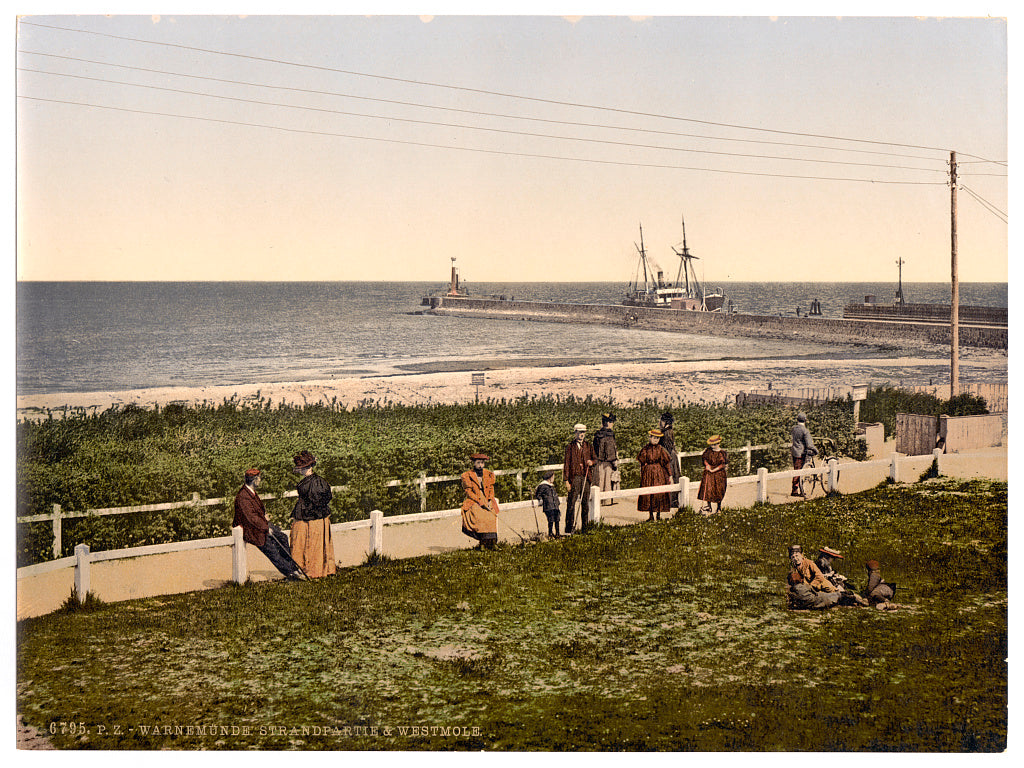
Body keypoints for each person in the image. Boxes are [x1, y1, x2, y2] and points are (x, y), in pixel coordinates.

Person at [232, 468, 306, 581]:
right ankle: (291, 573)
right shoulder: (243, 496)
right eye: (259, 478)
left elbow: (257, 512)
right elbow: (252, 518)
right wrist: (267, 528)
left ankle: (293, 568)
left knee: (282, 537)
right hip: (251, 530)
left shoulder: (250, 492)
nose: (260, 480)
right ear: (254, 480)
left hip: (260, 526)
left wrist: (265, 517)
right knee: (272, 550)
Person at [289, 450, 336, 578]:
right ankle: (316, 569)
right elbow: (327, 497)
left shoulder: (312, 483)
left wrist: (310, 509)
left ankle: (309, 570)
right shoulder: (320, 481)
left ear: (308, 467)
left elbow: (320, 498)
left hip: (310, 516)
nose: (301, 471)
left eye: (302, 468)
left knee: (308, 542)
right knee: (311, 542)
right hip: (316, 515)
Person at [461, 452, 501, 548]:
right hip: (474, 499)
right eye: (478, 463)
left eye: (482, 463)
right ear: (474, 463)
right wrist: (479, 501)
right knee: (479, 516)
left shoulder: (488, 474)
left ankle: (493, 543)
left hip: (487, 498)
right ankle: (482, 543)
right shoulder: (467, 475)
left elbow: (491, 488)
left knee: (491, 516)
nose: (480, 465)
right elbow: (468, 491)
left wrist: (490, 498)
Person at [563, 423, 596, 534]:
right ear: (575, 433)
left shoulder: (588, 446)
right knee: (571, 504)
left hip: (586, 477)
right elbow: (566, 464)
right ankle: (569, 529)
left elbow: (595, 459)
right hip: (575, 478)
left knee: (585, 503)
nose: (582, 434)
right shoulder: (570, 447)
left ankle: (585, 529)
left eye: (583, 432)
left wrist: (592, 462)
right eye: (580, 432)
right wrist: (566, 481)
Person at [787, 544, 840, 609]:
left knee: (836, 597)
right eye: (793, 557)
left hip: (822, 585)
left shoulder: (809, 563)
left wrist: (810, 586)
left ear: (802, 555)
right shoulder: (794, 568)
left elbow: (819, 576)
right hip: (811, 590)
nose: (795, 559)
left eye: (797, 556)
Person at [638, 429, 674, 521]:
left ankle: (658, 515)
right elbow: (642, 462)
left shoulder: (661, 449)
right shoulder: (645, 449)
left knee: (659, 493)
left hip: (659, 473)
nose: (655, 440)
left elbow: (666, 464)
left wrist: (670, 475)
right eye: (653, 438)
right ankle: (651, 516)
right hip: (648, 473)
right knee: (649, 494)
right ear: (649, 437)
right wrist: (642, 474)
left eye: (657, 438)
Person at [592, 412, 619, 507]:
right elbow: (610, 450)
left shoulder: (598, 434)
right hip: (607, 462)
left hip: (599, 462)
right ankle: (606, 501)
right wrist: (614, 462)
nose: (610, 424)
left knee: (601, 481)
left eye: (611, 422)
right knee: (607, 482)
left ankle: (599, 501)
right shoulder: (609, 435)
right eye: (609, 422)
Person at [697, 435, 729, 514]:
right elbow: (704, 459)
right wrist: (707, 465)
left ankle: (719, 507)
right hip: (709, 472)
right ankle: (709, 506)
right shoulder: (708, 451)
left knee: (719, 490)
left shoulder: (723, 453)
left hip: (719, 474)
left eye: (715, 444)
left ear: (719, 443)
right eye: (712, 445)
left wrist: (714, 470)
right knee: (708, 489)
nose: (713, 446)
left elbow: (723, 464)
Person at [791, 412, 817, 497]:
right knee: (800, 471)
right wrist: (816, 450)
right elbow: (809, 444)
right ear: (805, 420)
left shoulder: (794, 429)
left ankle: (796, 489)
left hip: (794, 451)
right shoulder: (805, 431)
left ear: (797, 419)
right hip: (801, 453)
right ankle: (795, 491)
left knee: (796, 470)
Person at [533, 470, 561, 538]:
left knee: (557, 519)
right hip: (549, 506)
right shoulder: (543, 486)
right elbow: (538, 494)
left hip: (554, 505)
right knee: (551, 520)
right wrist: (541, 500)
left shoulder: (551, 486)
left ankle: (557, 533)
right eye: (553, 477)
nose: (554, 478)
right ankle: (550, 534)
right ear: (550, 478)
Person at [658, 412, 681, 489]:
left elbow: (666, 448)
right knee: (675, 476)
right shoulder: (670, 431)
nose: (660, 423)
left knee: (669, 477)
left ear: (665, 422)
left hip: (668, 457)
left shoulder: (665, 433)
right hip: (672, 456)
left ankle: (671, 499)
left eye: (661, 421)